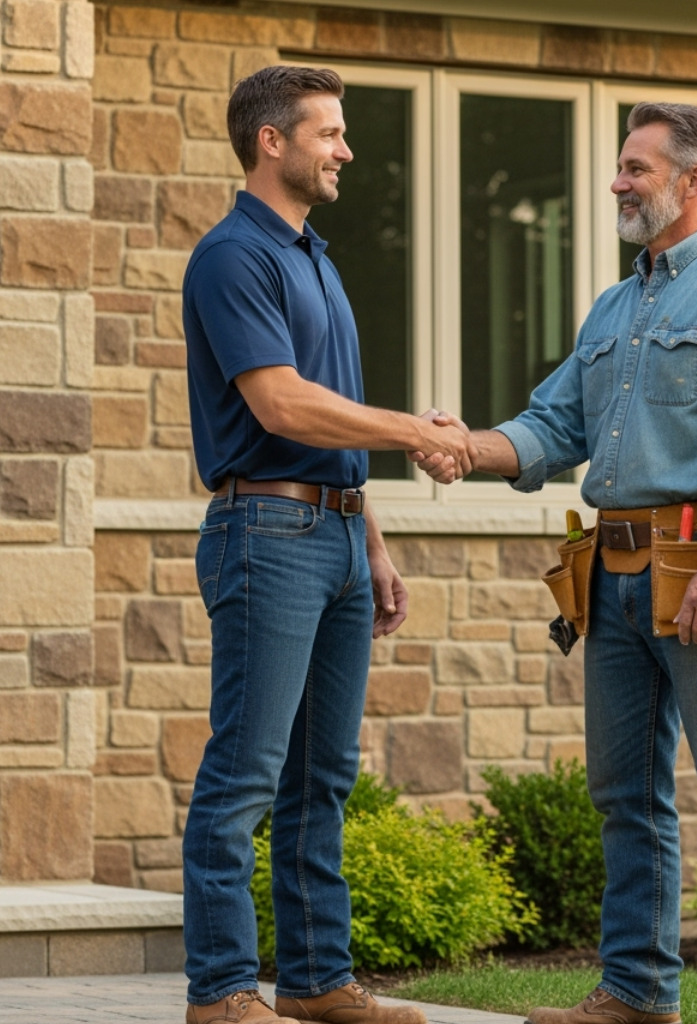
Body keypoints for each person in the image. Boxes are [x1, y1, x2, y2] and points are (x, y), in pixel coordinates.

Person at [418, 103, 697, 1024]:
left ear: (692, 181)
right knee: (623, 796)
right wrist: (469, 447)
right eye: (621, 167)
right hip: (614, 578)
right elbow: (554, 427)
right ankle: (636, 993)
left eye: (635, 167)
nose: (617, 182)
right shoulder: (612, 308)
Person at [180, 66, 471, 1024]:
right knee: (246, 773)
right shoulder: (234, 258)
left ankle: (312, 981)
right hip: (264, 531)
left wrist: (373, 542)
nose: (346, 150)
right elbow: (280, 402)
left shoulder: (316, 259)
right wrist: (417, 431)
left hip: (336, 534)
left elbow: (332, 428)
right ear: (273, 141)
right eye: (330, 133)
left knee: (323, 779)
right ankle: (222, 991)